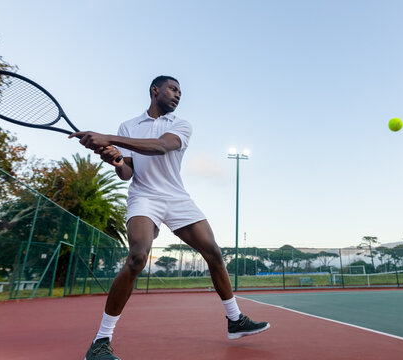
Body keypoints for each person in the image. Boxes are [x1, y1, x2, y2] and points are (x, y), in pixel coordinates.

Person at [71, 75, 269, 360]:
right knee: (138, 257)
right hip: (144, 197)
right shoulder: (129, 125)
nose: (178, 95)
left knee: (213, 252)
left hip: (176, 198)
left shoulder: (181, 124)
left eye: (180, 92)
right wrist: (114, 158)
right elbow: (127, 172)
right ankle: (101, 341)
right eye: (173, 89)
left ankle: (235, 320)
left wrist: (108, 138)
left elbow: (161, 146)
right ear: (155, 90)